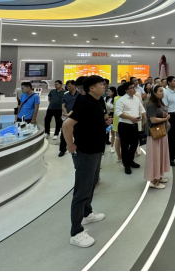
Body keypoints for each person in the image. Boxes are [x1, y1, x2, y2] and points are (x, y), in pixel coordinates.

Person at [62, 75, 108, 248]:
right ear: (91, 88)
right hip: (86, 152)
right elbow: (67, 125)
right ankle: (76, 232)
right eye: (100, 84)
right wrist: (70, 144)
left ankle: (87, 213)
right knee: (81, 190)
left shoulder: (97, 101)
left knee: (92, 183)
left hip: (96, 150)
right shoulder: (85, 102)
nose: (104, 86)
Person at [116, 82, 146, 174]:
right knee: (125, 146)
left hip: (134, 125)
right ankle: (126, 165)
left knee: (135, 144)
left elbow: (142, 109)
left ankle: (130, 160)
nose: (134, 89)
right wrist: (130, 118)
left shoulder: (136, 98)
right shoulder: (121, 100)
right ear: (126, 90)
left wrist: (146, 119)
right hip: (124, 125)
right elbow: (118, 113)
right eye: (131, 88)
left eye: (134, 87)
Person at [144, 85, 171, 189]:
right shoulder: (151, 104)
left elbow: (158, 115)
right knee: (155, 157)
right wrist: (165, 119)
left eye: (162, 91)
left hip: (161, 132)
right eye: (160, 91)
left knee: (160, 155)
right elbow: (153, 119)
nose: (162, 93)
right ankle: (153, 181)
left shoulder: (159, 103)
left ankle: (158, 176)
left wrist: (164, 115)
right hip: (155, 134)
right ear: (154, 93)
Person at [162, 76, 175, 166]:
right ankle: (169, 158)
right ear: (169, 82)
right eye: (174, 81)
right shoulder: (166, 93)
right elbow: (165, 107)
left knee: (174, 137)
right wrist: (167, 120)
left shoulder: (174, 91)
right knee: (170, 138)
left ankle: (174, 154)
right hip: (169, 116)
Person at [59, 79, 81, 157]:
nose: (68, 87)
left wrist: (70, 114)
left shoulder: (79, 95)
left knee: (77, 133)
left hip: (76, 117)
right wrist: (66, 114)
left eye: (70, 86)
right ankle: (62, 150)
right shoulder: (65, 95)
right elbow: (63, 106)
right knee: (64, 134)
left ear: (74, 85)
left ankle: (77, 148)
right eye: (67, 86)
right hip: (67, 116)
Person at [112, 83, 127, 163]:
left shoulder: (115, 98)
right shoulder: (125, 99)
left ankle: (119, 157)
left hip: (116, 121)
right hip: (124, 121)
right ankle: (126, 156)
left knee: (117, 139)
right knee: (126, 140)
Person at [105, 87, 117, 153]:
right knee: (105, 131)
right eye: (107, 91)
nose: (108, 92)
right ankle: (103, 148)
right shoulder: (106, 98)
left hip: (113, 116)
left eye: (109, 91)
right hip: (107, 116)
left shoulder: (116, 99)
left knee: (113, 132)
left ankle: (112, 147)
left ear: (113, 92)